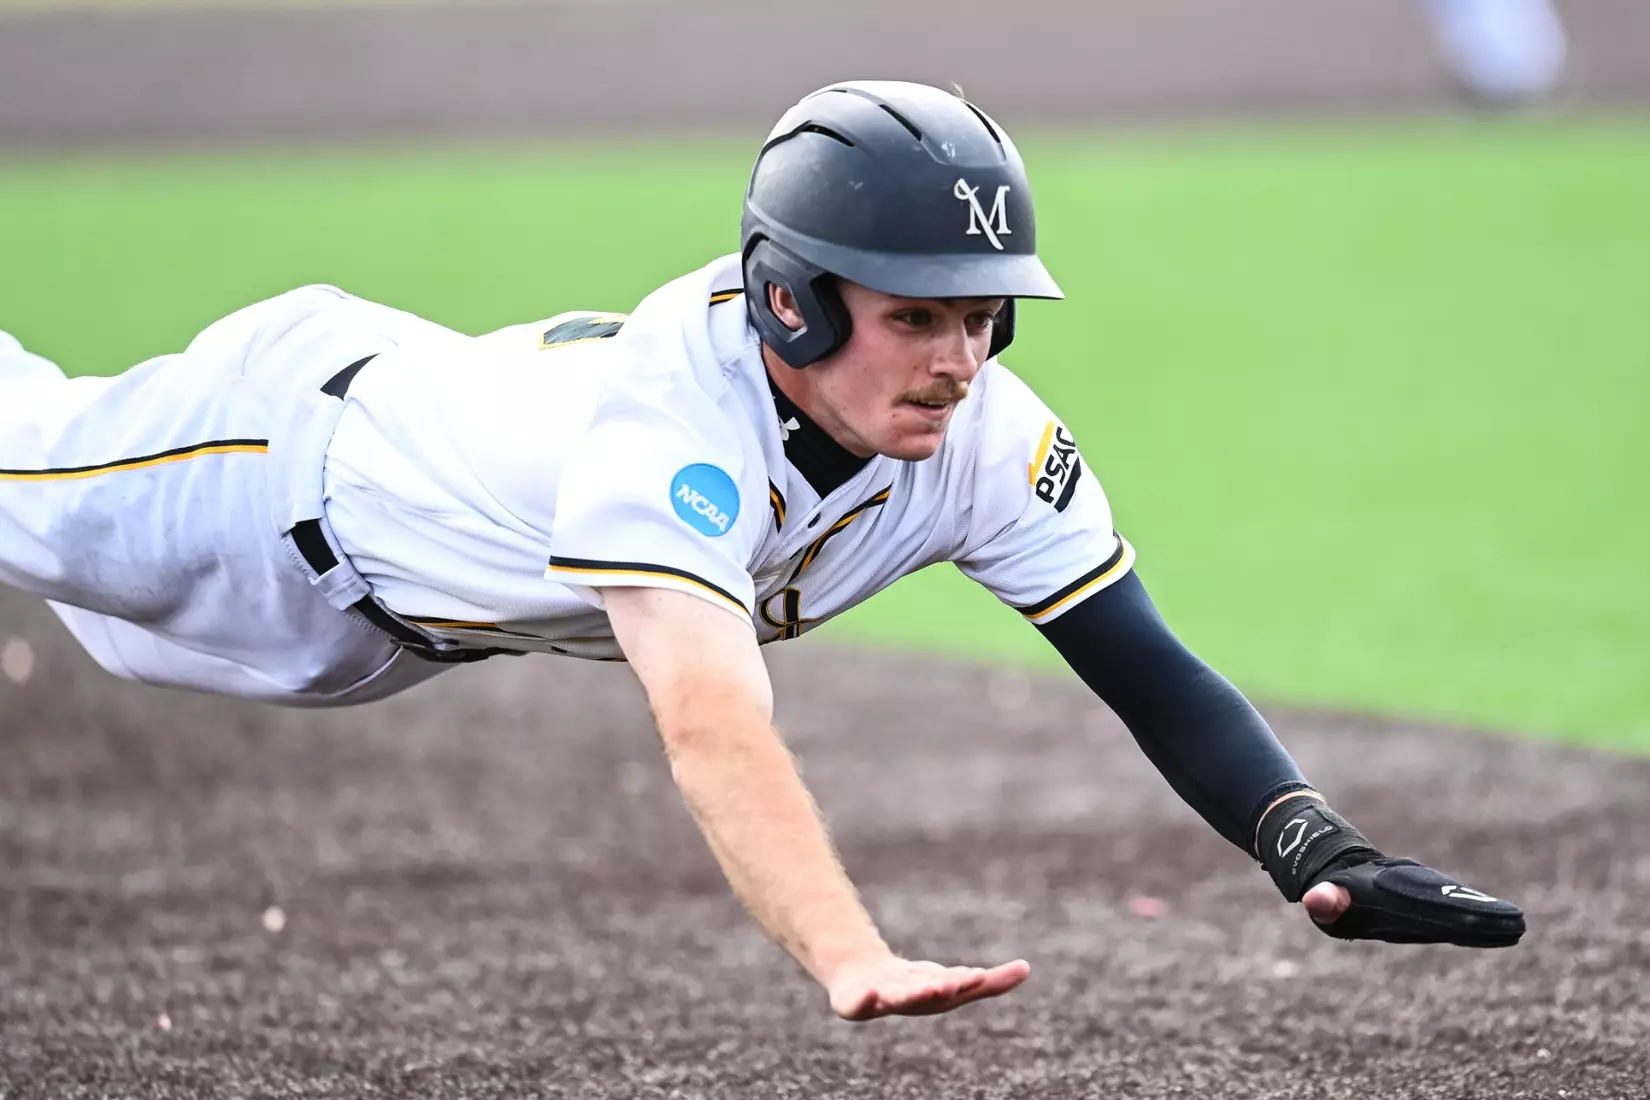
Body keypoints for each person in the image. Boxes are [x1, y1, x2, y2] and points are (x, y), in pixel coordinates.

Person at [0, 80, 1524, 1023]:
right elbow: (709, 718)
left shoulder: (983, 440)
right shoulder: (683, 422)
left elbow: (1144, 666)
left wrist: (1307, 843)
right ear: (789, 302)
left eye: (982, 312)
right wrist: (847, 951)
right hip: (255, 475)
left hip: (371, 644)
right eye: (913, 310)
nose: (957, 355)